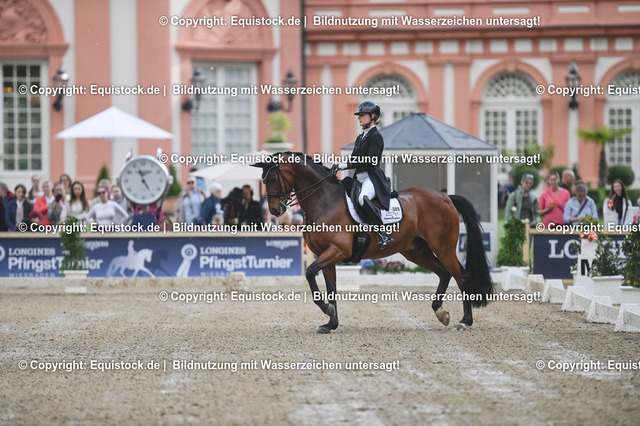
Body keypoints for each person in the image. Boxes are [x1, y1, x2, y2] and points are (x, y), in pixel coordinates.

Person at [336, 101, 393, 249]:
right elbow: (354, 159)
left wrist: (346, 165)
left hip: (371, 178)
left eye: (362, 115)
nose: (359, 118)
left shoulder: (376, 137)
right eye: (359, 115)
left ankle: (383, 232)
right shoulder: (360, 137)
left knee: (363, 198)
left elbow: (370, 161)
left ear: (372, 117)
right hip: (359, 178)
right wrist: (340, 164)